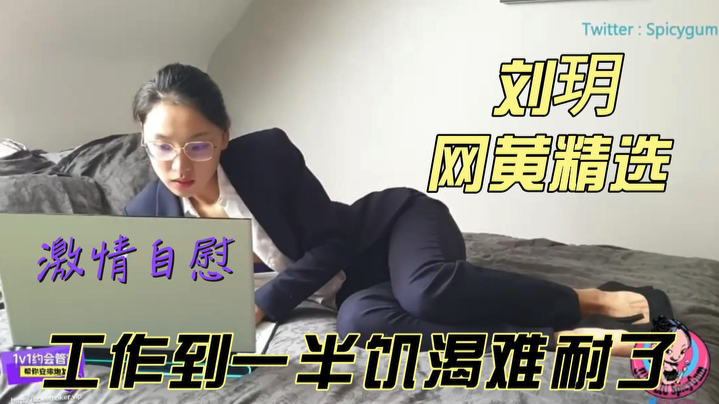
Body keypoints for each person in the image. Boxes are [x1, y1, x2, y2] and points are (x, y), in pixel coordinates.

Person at [124, 63, 674, 357]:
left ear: (224, 136)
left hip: (390, 228)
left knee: (426, 289)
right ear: (144, 143)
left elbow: (334, 243)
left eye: (198, 144)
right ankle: (556, 340)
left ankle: (586, 298)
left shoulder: (265, 155)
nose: (179, 165)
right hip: (355, 291)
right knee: (359, 323)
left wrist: (261, 304)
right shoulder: (149, 216)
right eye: (161, 147)